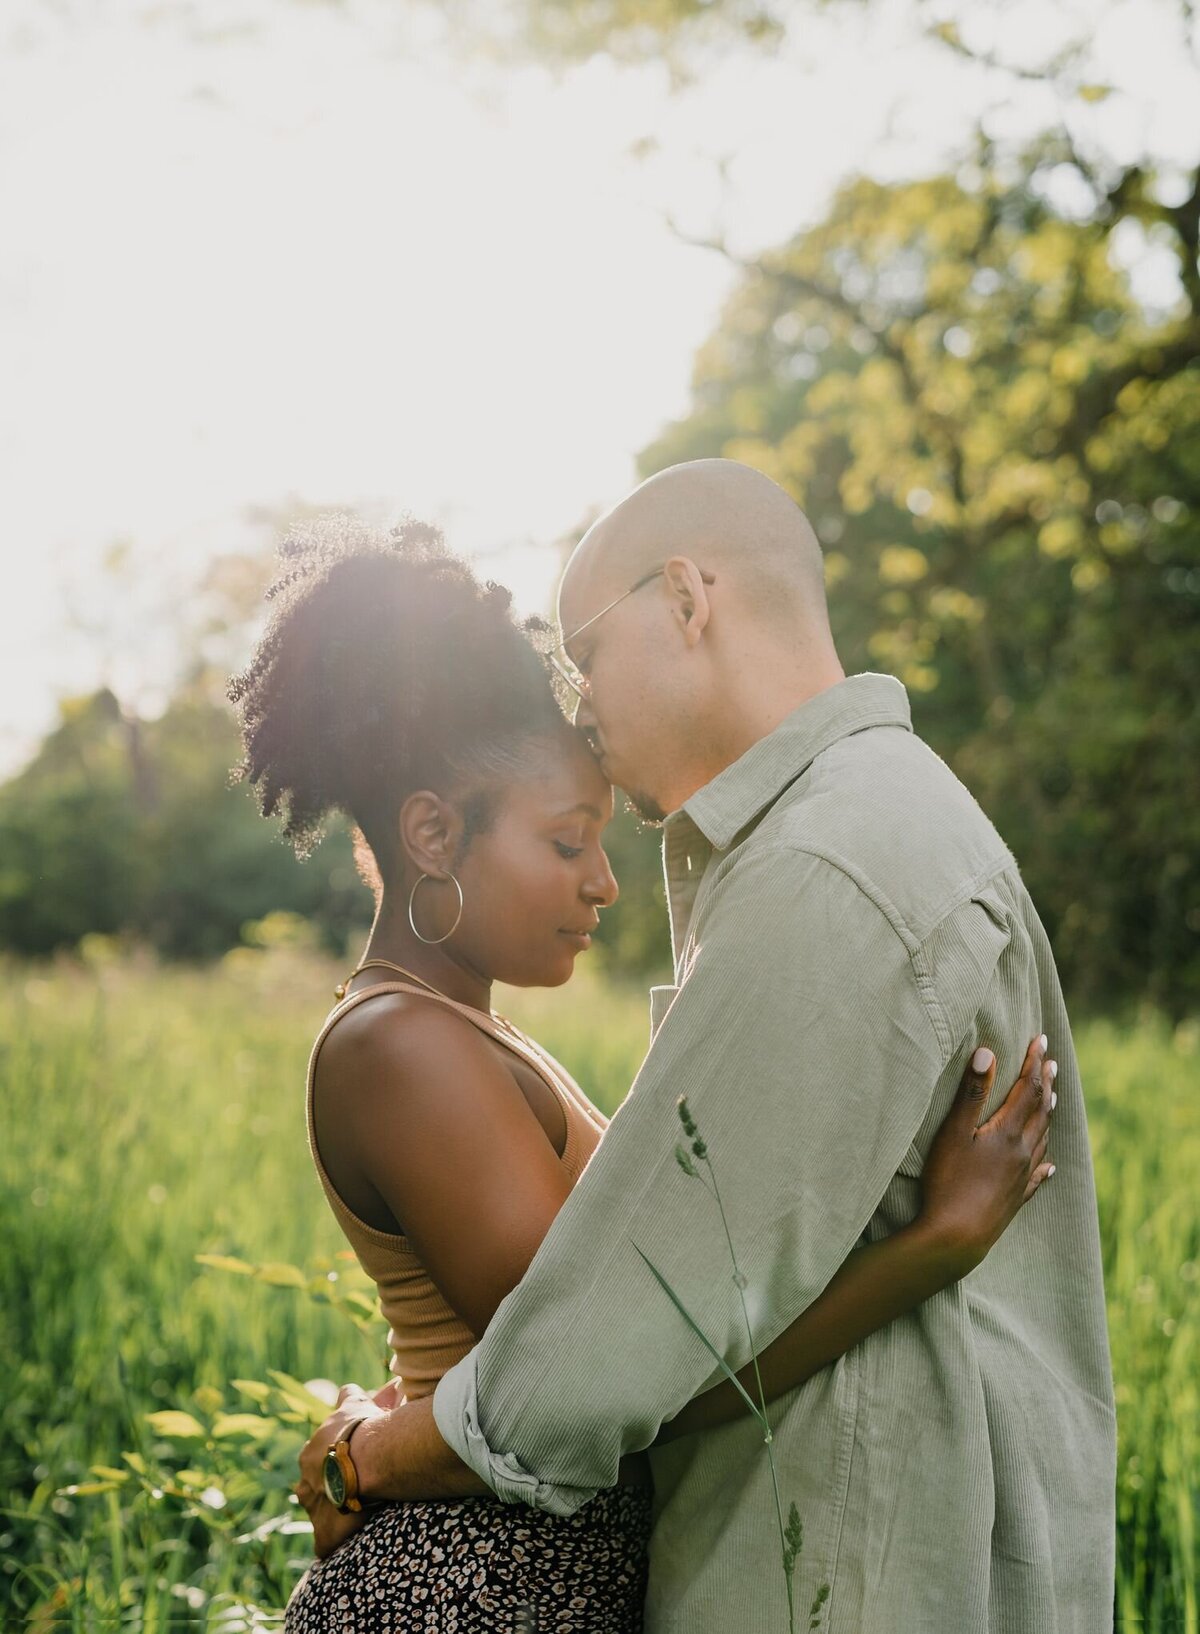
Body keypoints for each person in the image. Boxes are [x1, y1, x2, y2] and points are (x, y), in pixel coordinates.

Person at [233, 505, 1065, 1630]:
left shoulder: (466, 1034)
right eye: (566, 840)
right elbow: (623, 1382)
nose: (602, 883)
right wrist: (934, 1246)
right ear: (433, 834)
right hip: (468, 1588)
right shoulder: (401, 1049)